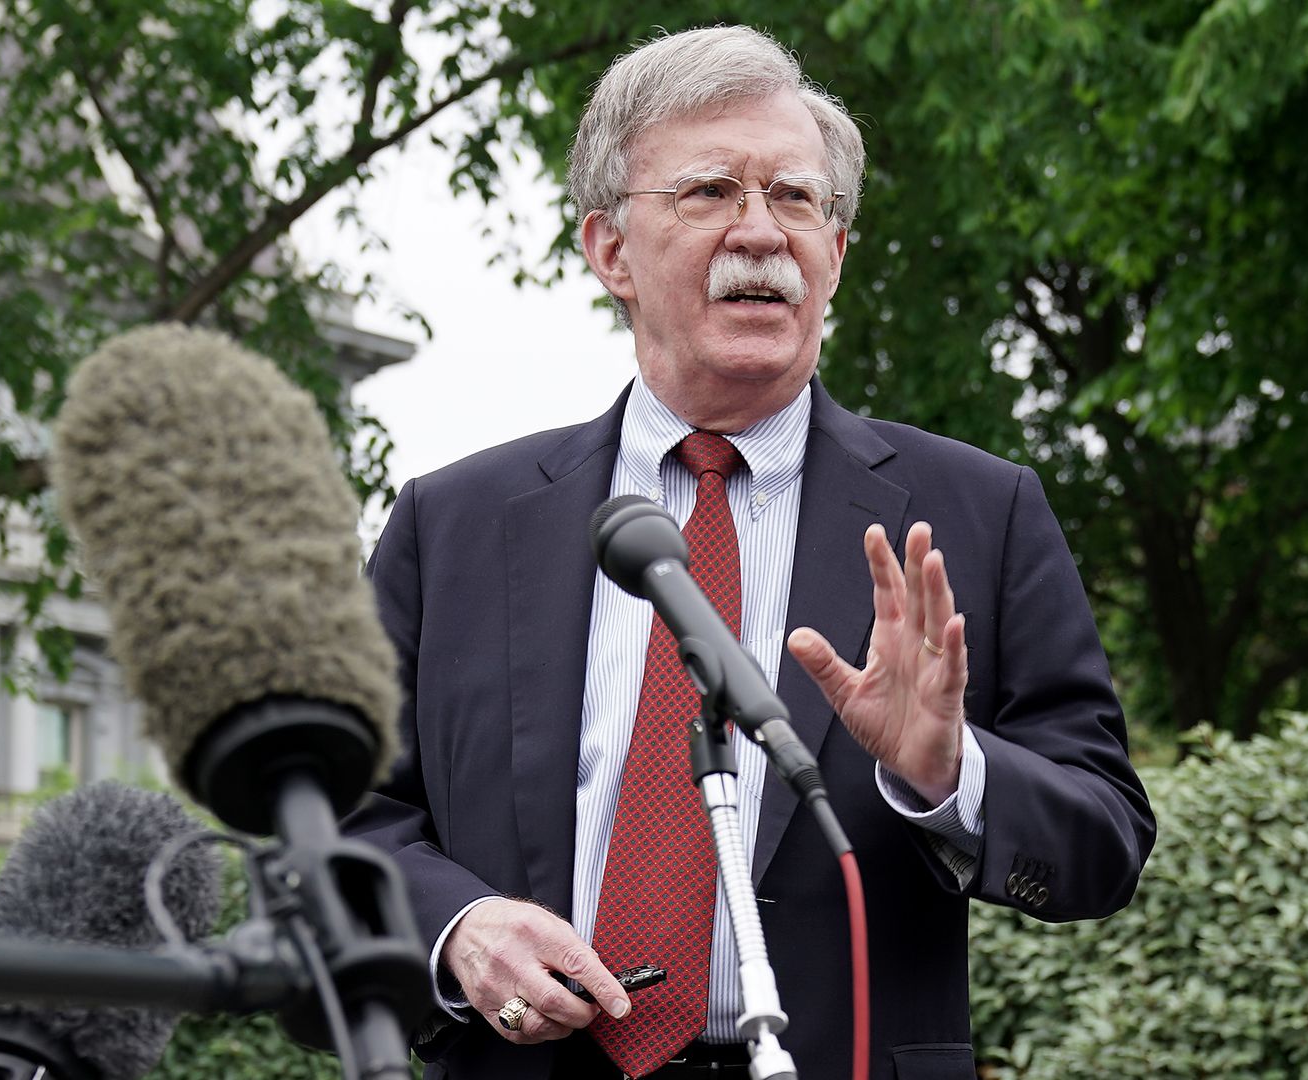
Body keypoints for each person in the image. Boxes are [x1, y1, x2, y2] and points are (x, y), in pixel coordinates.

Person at [346, 24, 1155, 1080]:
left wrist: (953, 774)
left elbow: (1103, 842)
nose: (761, 232)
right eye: (710, 192)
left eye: (797, 199)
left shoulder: (977, 511)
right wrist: (459, 930)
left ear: (838, 253)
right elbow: (340, 828)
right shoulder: (450, 525)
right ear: (609, 250)